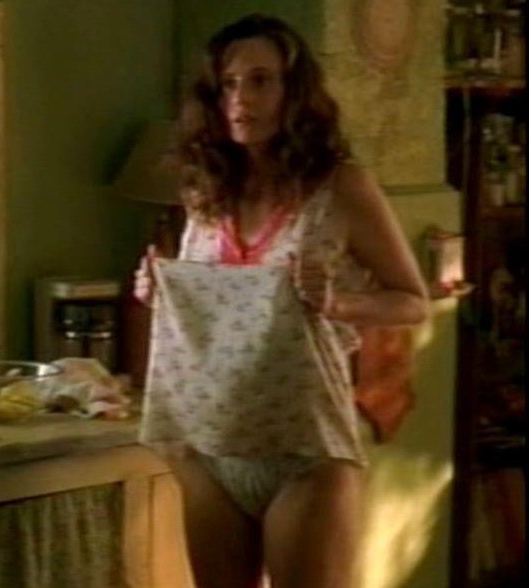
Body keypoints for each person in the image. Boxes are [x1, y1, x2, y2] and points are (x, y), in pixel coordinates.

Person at [132, 14, 428, 588]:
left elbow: (412, 301)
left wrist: (337, 303)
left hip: (305, 454)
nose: (242, 99)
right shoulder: (205, 191)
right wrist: (156, 290)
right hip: (211, 448)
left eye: (261, 81)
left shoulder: (342, 187)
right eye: (228, 84)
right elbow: (215, 314)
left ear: (295, 93)